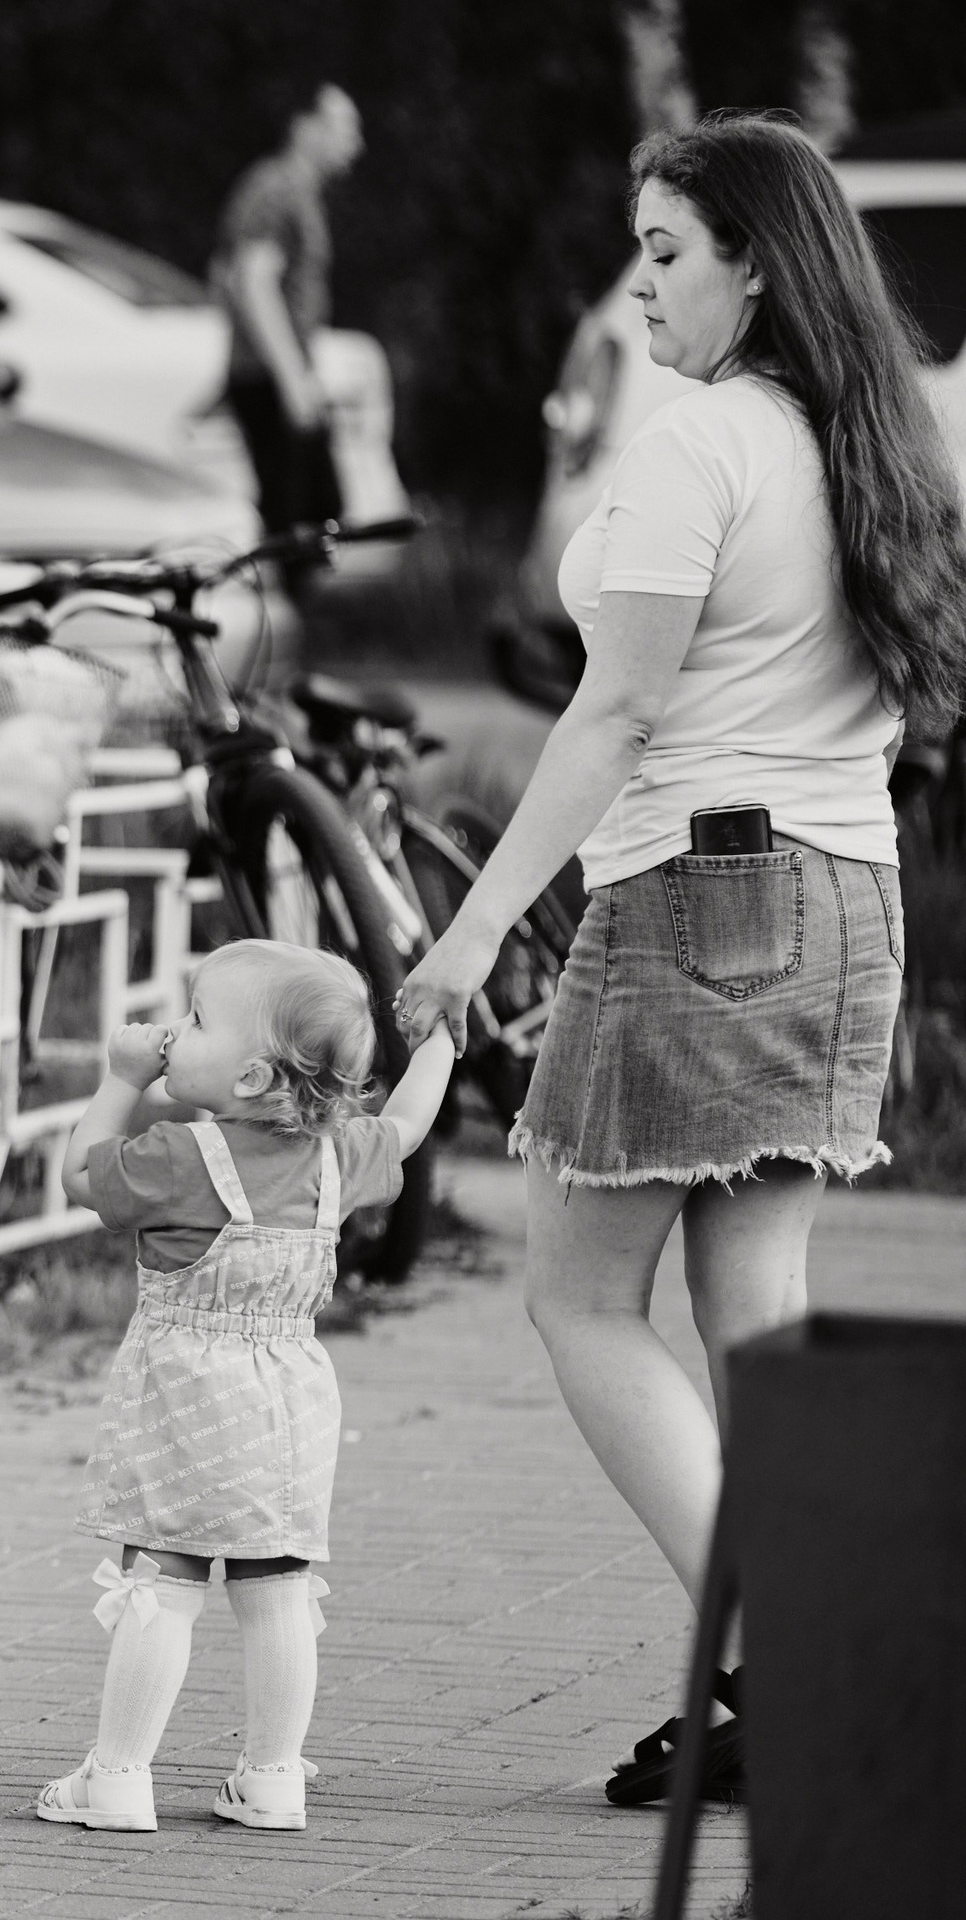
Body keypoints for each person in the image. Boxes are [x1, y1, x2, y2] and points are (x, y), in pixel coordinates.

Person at [399, 114, 966, 1807]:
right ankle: (826, 1676)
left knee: (577, 1295)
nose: (638, 289)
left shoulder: (701, 444)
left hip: (707, 898)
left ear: (754, 266)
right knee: (752, 1314)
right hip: (847, 898)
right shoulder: (883, 439)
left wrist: (474, 927)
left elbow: (618, 710)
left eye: (665, 254)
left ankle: (797, 1661)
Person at [36, 942, 455, 1834]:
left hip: (186, 1396)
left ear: (254, 1072)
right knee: (277, 1583)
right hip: (293, 1401)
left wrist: (118, 1080)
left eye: (193, 1020)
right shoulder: (339, 1157)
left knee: (165, 1574)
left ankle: (117, 1775)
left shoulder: (178, 1156)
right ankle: (271, 1777)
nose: (173, 1030)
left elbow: (78, 1176)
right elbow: (411, 1126)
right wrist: (442, 1044)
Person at [211, 83, 364, 539]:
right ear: (305, 127)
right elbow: (253, 282)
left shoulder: (293, 190)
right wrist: (292, 377)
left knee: (312, 509)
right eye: (345, 127)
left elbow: (221, 274)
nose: (356, 142)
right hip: (268, 377)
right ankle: (280, 607)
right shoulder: (278, 189)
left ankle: (289, 604)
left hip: (273, 373)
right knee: (299, 518)